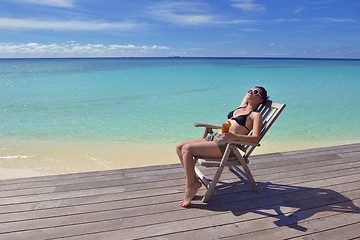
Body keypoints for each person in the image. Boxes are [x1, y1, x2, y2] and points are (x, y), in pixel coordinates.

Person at [176, 86, 268, 207]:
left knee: (187, 149)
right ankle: (193, 180)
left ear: (261, 99)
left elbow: (256, 138)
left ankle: (190, 187)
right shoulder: (241, 108)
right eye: (249, 91)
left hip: (226, 146)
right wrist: (251, 95)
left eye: (255, 92)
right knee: (179, 146)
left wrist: (235, 137)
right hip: (214, 138)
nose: (251, 93)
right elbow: (246, 98)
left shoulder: (255, 115)